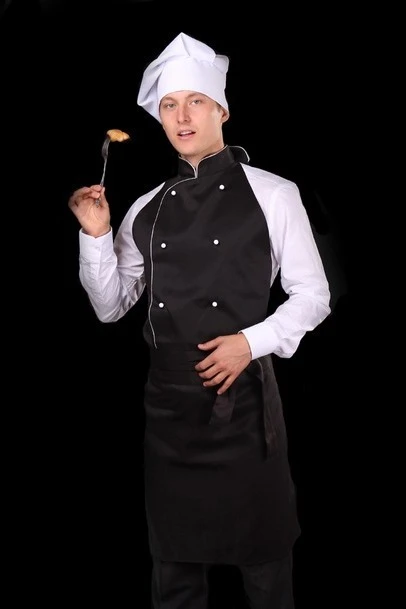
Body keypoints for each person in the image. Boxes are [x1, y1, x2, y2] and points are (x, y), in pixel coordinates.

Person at [68, 32, 331, 609]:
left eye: (195, 102)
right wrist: (96, 236)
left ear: (221, 110)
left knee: (265, 566)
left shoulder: (274, 193)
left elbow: (313, 295)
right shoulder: (145, 207)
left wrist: (249, 343)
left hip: (242, 405)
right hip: (170, 412)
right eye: (169, 105)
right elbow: (110, 305)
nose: (182, 116)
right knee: (176, 574)